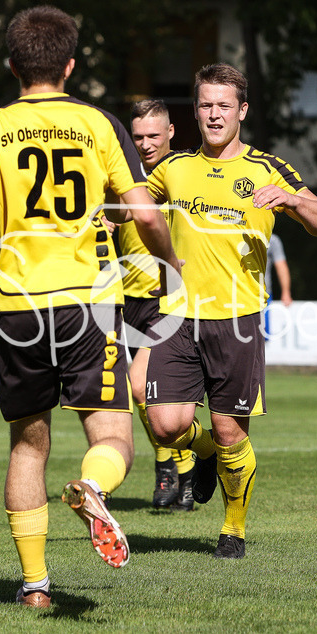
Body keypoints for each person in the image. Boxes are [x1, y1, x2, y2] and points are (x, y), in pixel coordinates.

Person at [0, 6, 179, 609]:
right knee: (113, 437)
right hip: (86, 303)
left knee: (28, 445)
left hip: (16, 303)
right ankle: (92, 487)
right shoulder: (100, 123)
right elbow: (146, 213)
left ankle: (34, 587)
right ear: (71, 64)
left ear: (12, 65)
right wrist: (172, 268)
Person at [145, 63, 317, 559]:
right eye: (205, 104)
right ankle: (203, 451)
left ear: (242, 111)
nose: (213, 114)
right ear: (195, 109)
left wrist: (293, 201)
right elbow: (131, 208)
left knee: (232, 430)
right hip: (176, 315)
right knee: (164, 424)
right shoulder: (173, 167)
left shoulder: (269, 168)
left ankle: (234, 528)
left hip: (237, 319)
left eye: (223, 105)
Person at [121, 99, 195, 511]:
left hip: (168, 298)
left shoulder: (182, 175)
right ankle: (175, 468)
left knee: (141, 385)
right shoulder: (121, 176)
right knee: (143, 394)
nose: (146, 143)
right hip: (130, 298)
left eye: (154, 134)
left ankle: (176, 467)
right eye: (138, 136)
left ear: (171, 133)